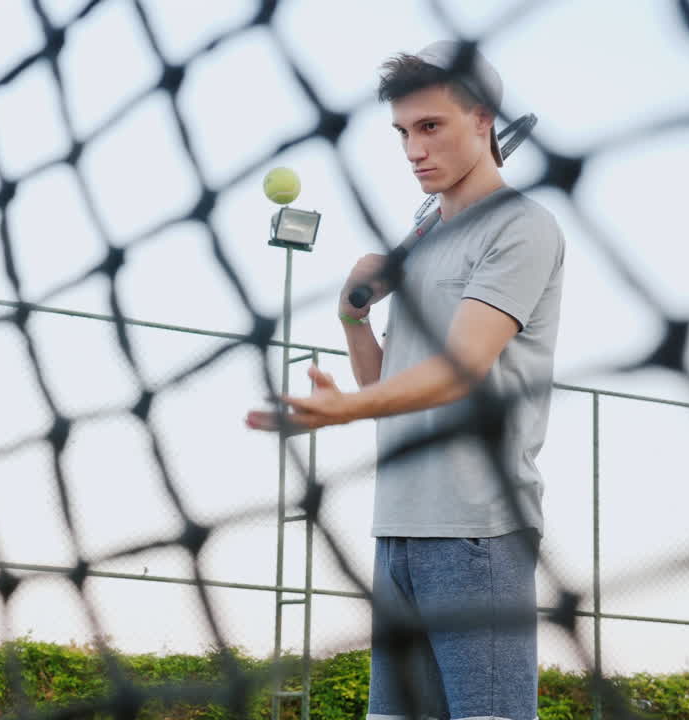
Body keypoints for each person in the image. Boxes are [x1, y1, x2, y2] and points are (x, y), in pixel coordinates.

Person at [246, 40, 565, 720]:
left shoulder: (520, 227)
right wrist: (352, 316)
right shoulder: (427, 248)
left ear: (482, 120)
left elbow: (459, 371)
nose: (414, 149)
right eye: (403, 133)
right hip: (397, 533)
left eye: (431, 127)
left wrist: (352, 407)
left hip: (479, 534)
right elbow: (392, 384)